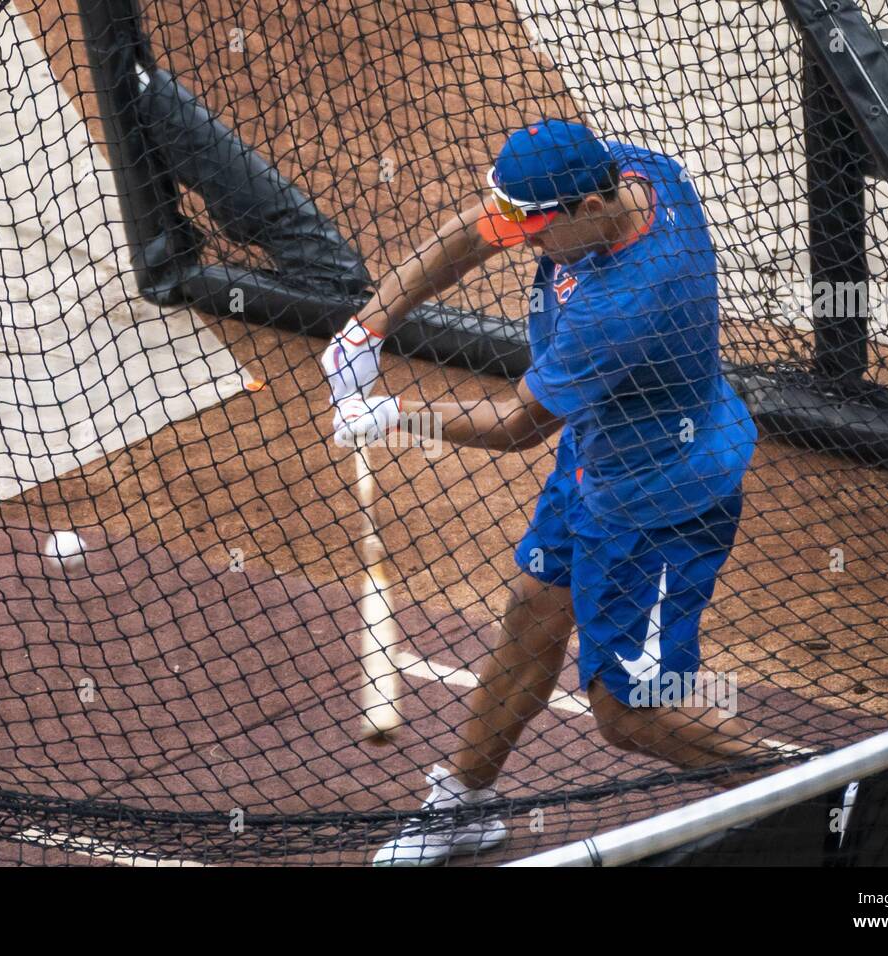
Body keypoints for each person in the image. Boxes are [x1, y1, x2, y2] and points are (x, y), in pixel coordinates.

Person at [323, 119, 778, 866]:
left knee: (631, 711)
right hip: (597, 459)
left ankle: (817, 791)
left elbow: (516, 425)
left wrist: (392, 420)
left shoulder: (622, 304)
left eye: (535, 234)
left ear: (585, 209)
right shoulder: (634, 176)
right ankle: (465, 805)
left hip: (661, 499)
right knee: (533, 611)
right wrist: (367, 330)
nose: (524, 245)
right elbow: (473, 235)